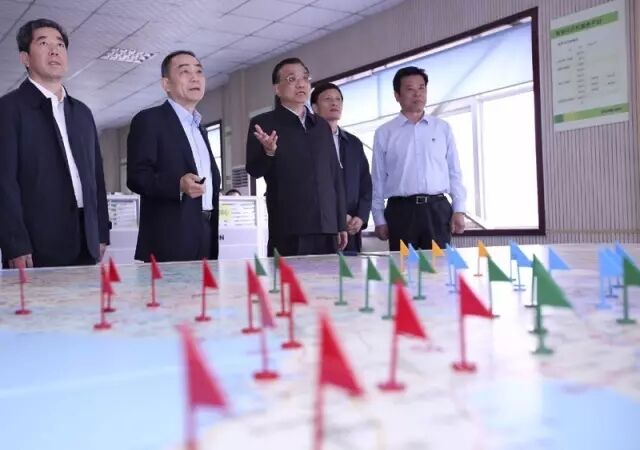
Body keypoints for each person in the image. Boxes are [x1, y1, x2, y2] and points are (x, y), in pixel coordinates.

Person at [0, 19, 110, 268]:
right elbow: (4, 183)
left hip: (86, 239)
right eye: (43, 43)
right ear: (25, 58)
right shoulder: (9, 109)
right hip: (36, 243)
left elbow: (96, 178)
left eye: (60, 44)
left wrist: (101, 231)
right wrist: (15, 243)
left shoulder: (82, 113)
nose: (54, 50)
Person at [246, 58, 347, 257]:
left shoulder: (321, 125)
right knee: (290, 277)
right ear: (277, 88)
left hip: (326, 226)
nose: (301, 84)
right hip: (289, 226)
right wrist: (269, 152)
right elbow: (254, 170)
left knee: (328, 277)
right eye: (292, 79)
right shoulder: (264, 123)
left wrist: (340, 222)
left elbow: (335, 175)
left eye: (305, 78)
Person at [127, 50, 221, 262]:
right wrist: (177, 185)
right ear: (166, 84)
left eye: (199, 71)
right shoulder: (150, 120)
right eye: (185, 72)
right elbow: (137, 176)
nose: (195, 77)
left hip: (206, 232)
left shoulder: (200, 128)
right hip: (169, 238)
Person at [371, 66, 466, 251]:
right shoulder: (384, 132)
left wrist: (459, 208)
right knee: (403, 267)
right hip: (401, 212)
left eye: (422, 88)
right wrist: (379, 218)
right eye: (410, 89)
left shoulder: (442, 128)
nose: (417, 94)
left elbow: (454, 171)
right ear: (397, 95)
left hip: (437, 210)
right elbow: (378, 178)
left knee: (439, 266)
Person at [311, 82, 371, 253]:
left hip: (351, 228)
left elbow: (365, 184)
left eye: (338, 99)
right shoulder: (308, 141)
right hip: (319, 226)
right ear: (314, 108)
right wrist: (338, 216)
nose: (334, 103)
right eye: (328, 99)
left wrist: (361, 217)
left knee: (350, 270)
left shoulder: (353, 143)